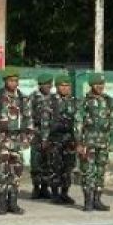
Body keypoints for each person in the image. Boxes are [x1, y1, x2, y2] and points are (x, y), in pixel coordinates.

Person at [0, 67, 32, 216]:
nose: (13, 83)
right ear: (5, 81)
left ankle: (13, 203)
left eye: (15, 80)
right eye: (10, 80)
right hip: (1, 139)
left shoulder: (23, 99)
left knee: (16, 171)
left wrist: (27, 138)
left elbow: (28, 120)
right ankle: (2, 204)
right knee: (1, 172)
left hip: (17, 140)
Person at [76, 73, 113, 211]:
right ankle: (88, 201)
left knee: (100, 171)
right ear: (91, 85)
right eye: (97, 84)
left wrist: (112, 140)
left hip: (103, 142)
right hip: (88, 142)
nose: (100, 87)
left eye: (102, 84)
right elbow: (78, 123)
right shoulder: (84, 101)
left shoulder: (109, 101)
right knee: (87, 171)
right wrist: (79, 143)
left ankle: (97, 200)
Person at [47, 72, 78, 205]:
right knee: (55, 167)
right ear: (57, 87)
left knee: (68, 167)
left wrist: (78, 139)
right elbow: (44, 121)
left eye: (67, 85)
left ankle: (65, 193)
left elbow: (79, 121)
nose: (65, 88)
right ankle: (55, 194)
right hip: (55, 138)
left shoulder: (75, 101)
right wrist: (45, 139)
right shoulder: (50, 101)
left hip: (69, 139)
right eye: (62, 85)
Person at [28, 74, 55, 199]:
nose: (48, 87)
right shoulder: (32, 98)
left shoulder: (53, 98)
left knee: (48, 161)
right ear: (40, 85)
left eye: (50, 84)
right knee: (36, 161)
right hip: (37, 134)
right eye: (45, 84)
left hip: (50, 134)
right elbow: (27, 116)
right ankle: (36, 187)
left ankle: (45, 187)